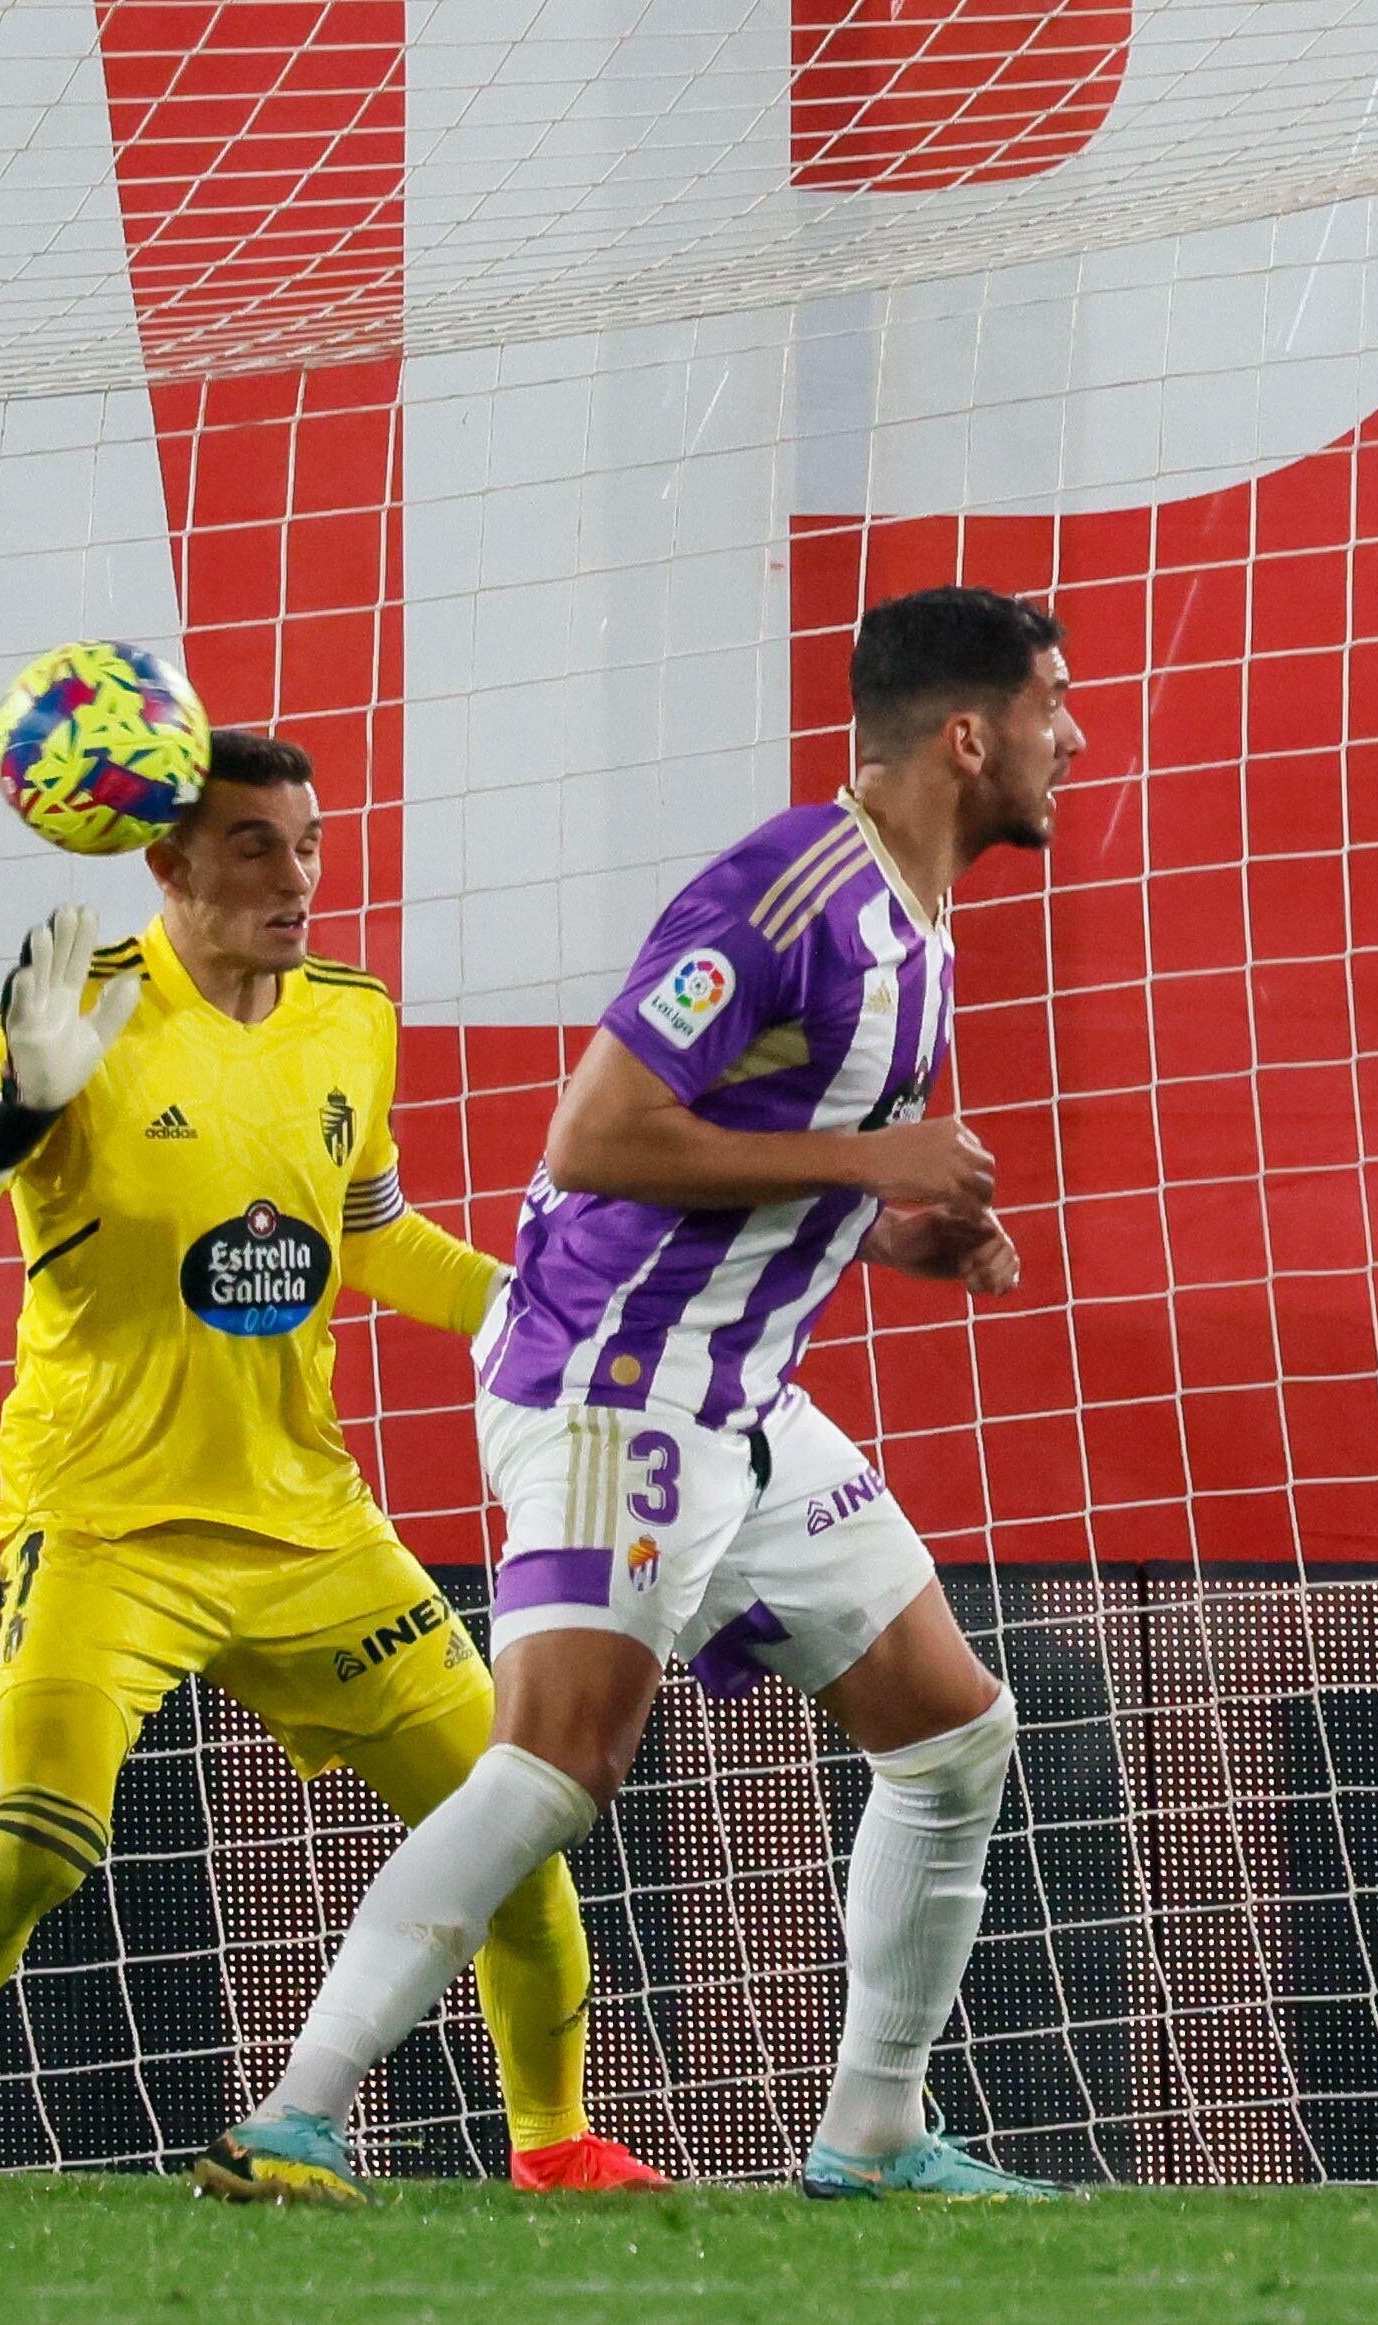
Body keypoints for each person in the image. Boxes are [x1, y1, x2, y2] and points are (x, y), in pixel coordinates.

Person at [197, 588, 1080, 2205]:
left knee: (955, 1735)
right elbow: (591, 1138)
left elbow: (748, 1160)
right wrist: (863, 1156)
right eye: (1049, 705)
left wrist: (887, 1231)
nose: (1067, 736)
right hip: (618, 1376)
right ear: (968, 735)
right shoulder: (787, 889)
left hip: (742, 1387)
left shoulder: (914, 915)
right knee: (558, 1761)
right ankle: (294, 2112)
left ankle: (874, 2129)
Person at [0, 732, 646, 2199]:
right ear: (168, 863)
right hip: (108, 1525)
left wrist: (534, 1306)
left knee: (518, 1817)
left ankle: (555, 2143)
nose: (298, 876)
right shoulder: (76, 1016)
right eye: (256, 845)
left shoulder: (350, 1019)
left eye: (309, 842)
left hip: (309, 1525)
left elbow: (368, 1225)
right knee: (38, 1847)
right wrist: (14, 1112)